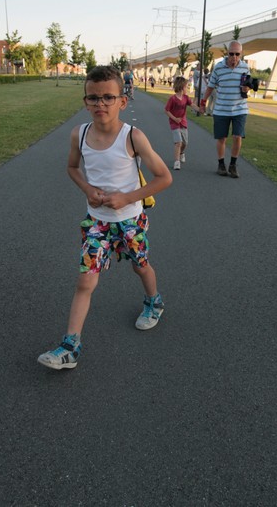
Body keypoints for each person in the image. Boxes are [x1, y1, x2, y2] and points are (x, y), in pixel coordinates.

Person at [38, 66, 173, 370]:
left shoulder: (133, 137)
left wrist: (127, 197)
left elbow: (164, 177)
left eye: (108, 98)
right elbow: (72, 168)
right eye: (94, 98)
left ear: (122, 101)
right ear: (85, 102)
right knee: (85, 281)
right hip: (97, 222)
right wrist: (87, 189)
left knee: (141, 267)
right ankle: (70, 347)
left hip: (130, 221)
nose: (101, 104)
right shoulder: (79, 134)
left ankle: (154, 302)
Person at [200, 41, 251, 178]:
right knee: (221, 138)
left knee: (237, 136)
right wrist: (203, 103)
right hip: (221, 109)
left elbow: (247, 88)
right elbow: (210, 87)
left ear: (241, 54)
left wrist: (246, 88)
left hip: (240, 109)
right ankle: (221, 164)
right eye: (231, 54)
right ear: (227, 53)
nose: (234, 57)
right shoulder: (218, 68)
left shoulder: (245, 67)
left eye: (237, 54)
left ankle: (233, 165)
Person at [165, 76, 199, 170]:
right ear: (181, 87)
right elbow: (166, 110)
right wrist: (174, 118)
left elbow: (192, 105)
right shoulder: (172, 99)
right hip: (174, 123)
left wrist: (199, 109)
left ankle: (181, 153)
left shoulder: (186, 98)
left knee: (185, 143)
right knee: (178, 142)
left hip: (183, 123)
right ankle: (177, 162)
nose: (187, 88)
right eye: (186, 86)